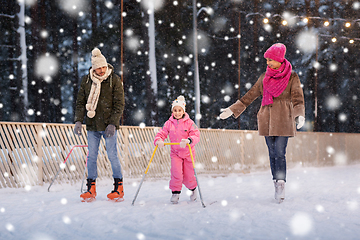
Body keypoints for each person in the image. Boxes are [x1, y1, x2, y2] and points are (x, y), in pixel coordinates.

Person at [219, 43, 305, 203]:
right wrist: (232, 109)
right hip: (266, 119)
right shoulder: (264, 78)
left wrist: (299, 115)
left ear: (279, 59)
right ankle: (276, 181)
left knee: (280, 152)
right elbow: (249, 96)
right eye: (267, 60)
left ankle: (281, 183)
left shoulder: (292, 76)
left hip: (285, 119)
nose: (268, 63)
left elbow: (298, 98)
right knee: (272, 154)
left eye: (271, 60)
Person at [74, 48, 125, 202]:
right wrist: (78, 120)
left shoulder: (114, 79)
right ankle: (91, 188)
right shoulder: (87, 80)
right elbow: (80, 102)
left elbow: (119, 103)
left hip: (109, 126)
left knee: (112, 155)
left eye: (103, 67)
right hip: (92, 126)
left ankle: (119, 187)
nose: (101, 70)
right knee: (91, 157)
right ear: (93, 68)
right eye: (98, 68)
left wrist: (113, 123)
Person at [154, 95, 200, 204]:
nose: (177, 113)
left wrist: (189, 140)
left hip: (188, 154)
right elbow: (162, 133)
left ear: (183, 111)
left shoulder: (190, 123)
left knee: (189, 175)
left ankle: (193, 189)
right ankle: (175, 192)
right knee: (176, 173)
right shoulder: (169, 123)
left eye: (179, 110)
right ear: (172, 111)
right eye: (175, 110)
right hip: (176, 154)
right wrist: (159, 140)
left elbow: (196, 135)